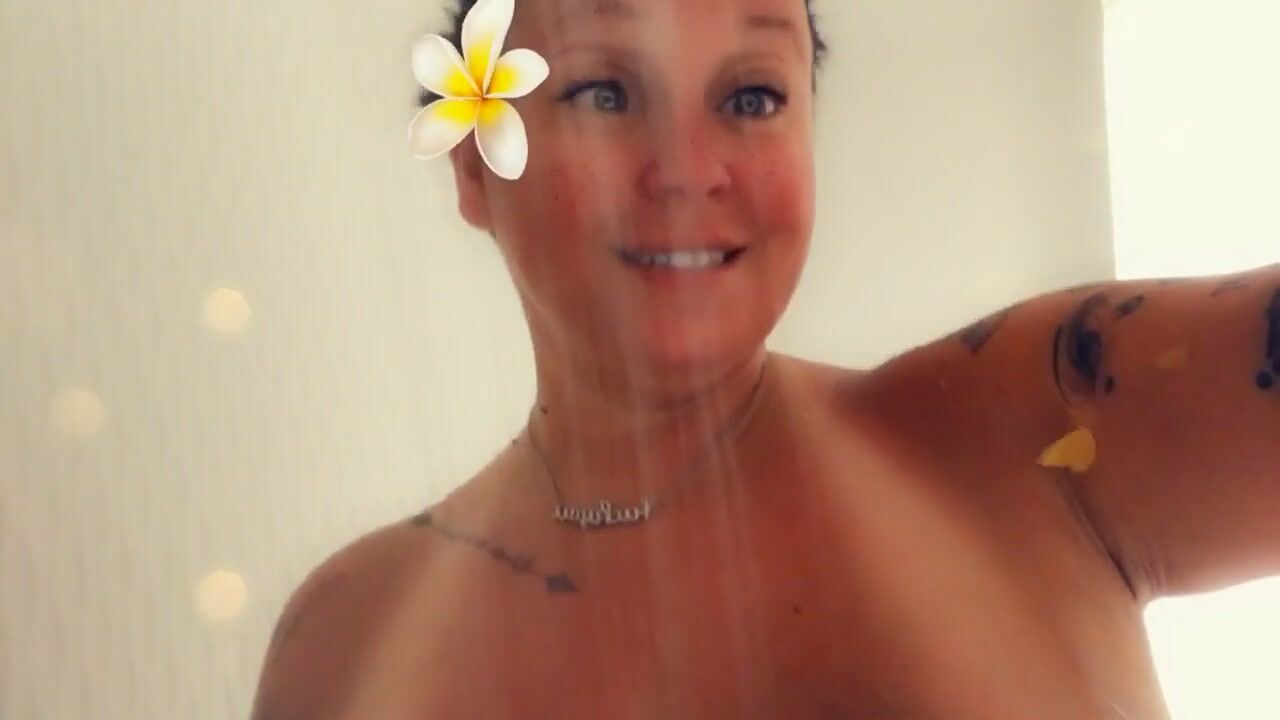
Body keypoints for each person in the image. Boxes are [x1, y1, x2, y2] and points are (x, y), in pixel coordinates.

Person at [249, 0, 1280, 717]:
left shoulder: (1046, 418)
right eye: (604, 93)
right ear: (474, 165)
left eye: (749, 97)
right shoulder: (345, 638)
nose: (687, 171)